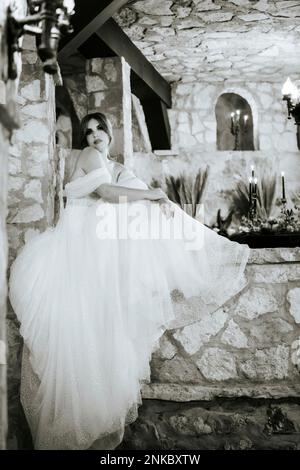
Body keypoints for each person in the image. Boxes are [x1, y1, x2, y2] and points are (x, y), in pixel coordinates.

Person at [9, 112, 250, 450]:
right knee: (77, 347)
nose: (94, 135)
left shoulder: (113, 165)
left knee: (96, 344)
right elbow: (107, 193)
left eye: (99, 129)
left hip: (93, 258)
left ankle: (85, 428)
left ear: (110, 132)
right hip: (74, 257)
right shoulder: (89, 157)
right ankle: (67, 431)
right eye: (88, 132)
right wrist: (153, 195)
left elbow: (118, 192)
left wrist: (153, 199)